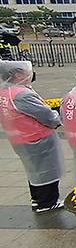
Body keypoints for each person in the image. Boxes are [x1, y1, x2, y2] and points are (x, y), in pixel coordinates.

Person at [0, 61, 64, 212]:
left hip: (19, 137)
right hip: (37, 138)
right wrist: (57, 118)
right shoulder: (22, 94)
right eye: (26, 72)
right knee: (46, 169)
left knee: (34, 169)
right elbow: (47, 115)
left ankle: (37, 198)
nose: (30, 74)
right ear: (17, 75)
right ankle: (47, 202)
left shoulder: (5, 92)